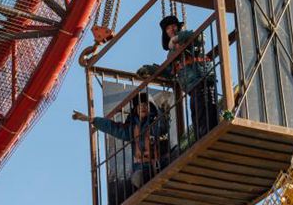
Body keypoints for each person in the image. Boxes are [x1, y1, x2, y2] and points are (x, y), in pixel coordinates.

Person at [137, 15, 219, 143]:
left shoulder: (189, 38)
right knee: (196, 114)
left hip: (202, 80)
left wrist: (177, 38)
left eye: (174, 26)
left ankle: (210, 138)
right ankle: (201, 140)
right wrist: (149, 70)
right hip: (192, 87)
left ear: (178, 27)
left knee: (206, 112)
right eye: (168, 28)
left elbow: (200, 37)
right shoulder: (171, 53)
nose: (171, 29)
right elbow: (169, 72)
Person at [72, 91, 169, 190]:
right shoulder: (131, 129)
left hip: (160, 163)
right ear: (136, 110)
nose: (143, 107)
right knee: (137, 179)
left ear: (151, 108)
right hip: (141, 167)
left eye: (146, 105)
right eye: (140, 105)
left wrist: (161, 110)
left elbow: (164, 127)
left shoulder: (156, 122)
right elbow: (112, 127)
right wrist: (91, 119)